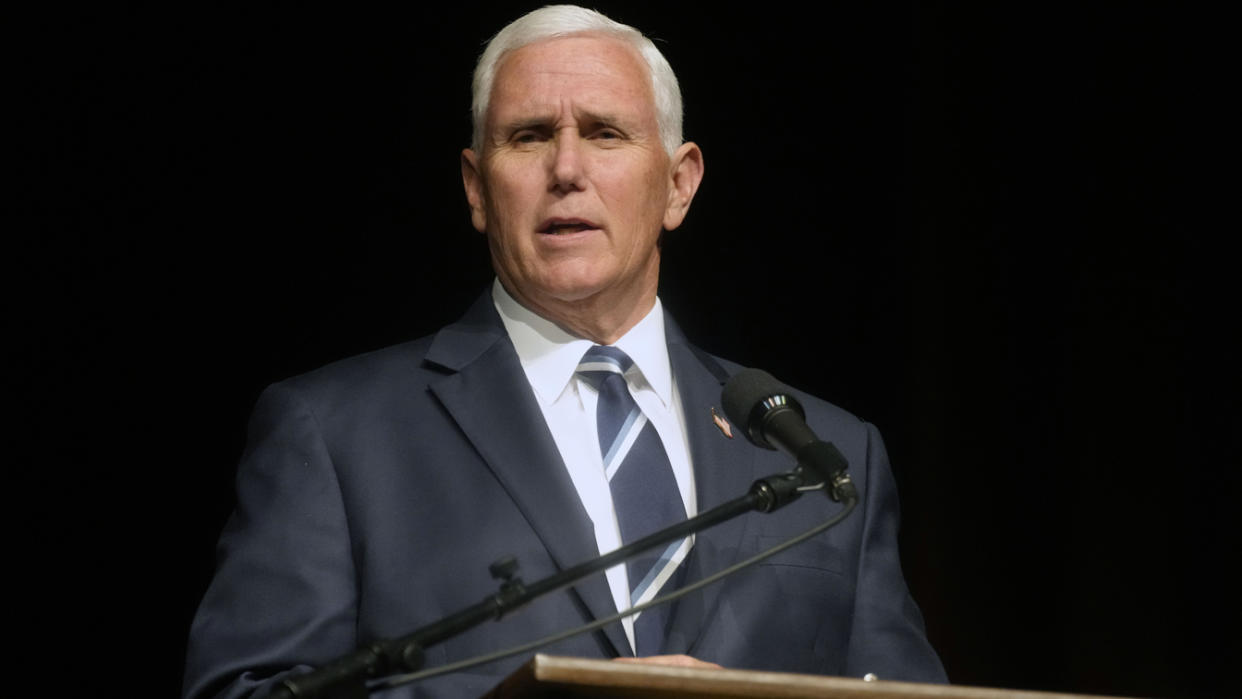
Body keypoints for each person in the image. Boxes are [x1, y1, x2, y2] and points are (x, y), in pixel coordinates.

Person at [183, 6, 946, 697]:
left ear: (679, 184)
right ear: (477, 188)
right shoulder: (337, 433)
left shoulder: (829, 456)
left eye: (606, 133)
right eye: (530, 136)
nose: (568, 170)